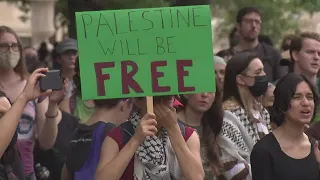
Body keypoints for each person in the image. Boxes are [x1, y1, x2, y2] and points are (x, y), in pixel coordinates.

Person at [0, 26, 61, 180]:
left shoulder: (33, 85)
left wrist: (53, 105)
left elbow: (46, 143)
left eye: (14, 46)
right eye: (3, 46)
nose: (10, 50)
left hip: (25, 173)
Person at [95, 96, 204, 180]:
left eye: (167, 99)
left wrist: (173, 130)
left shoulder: (187, 135)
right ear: (138, 101)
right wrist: (136, 139)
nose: (161, 106)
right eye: (155, 99)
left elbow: (197, 177)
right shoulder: (118, 136)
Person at [251, 73, 320, 180]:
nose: (306, 103)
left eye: (310, 97)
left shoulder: (316, 148)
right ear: (282, 103)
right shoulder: (263, 151)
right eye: (297, 97)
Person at [218, 51, 271, 179]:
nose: (264, 76)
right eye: (258, 73)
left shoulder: (262, 111)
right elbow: (233, 170)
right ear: (241, 80)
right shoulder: (228, 116)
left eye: (263, 71)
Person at [0, 68, 53, 180]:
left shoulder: (3, 101)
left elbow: (47, 143)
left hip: (21, 169)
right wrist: (23, 98)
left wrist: (53, 104)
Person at [177, 86, 223, 180]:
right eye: (199, 88)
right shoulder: (173, 124)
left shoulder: (213, 125)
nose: (205, 95)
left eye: (210, 90)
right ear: (186, 93)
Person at [232, 7, 287, 82]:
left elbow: (282, 83)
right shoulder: (229, 56)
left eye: (257, 22)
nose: (254, 25)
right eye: (249, 21)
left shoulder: (273, 54)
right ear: (238, 26)